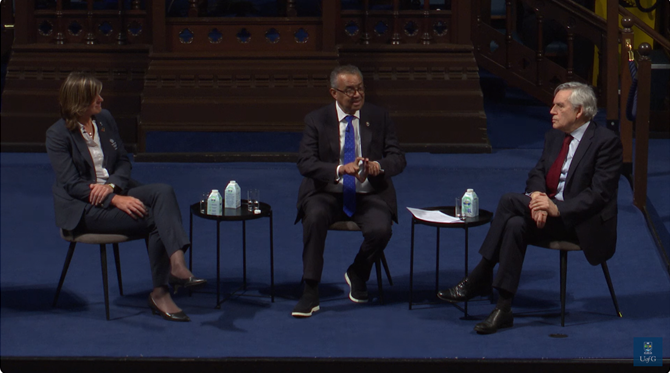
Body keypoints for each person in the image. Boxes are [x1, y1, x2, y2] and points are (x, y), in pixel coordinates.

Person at [437, 82, 622, 334]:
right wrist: (538, 198)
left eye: (559, 106)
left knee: (508, 201)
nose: (551, 111)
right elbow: (537, 173)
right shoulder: (554, 136)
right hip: (547, 215)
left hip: (581, 224)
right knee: (515, 224)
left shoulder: (606, 142)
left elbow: (599, 195)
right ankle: (503, 309)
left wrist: (557, 208)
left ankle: (480, 275)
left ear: (579, 111)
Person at [46, 72, 206, 322]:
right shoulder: (57, 135)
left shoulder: (104, 119)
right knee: (155, 219)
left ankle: (177, 264)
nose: (101, 98)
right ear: (79, 102)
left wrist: (110, 188)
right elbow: (71, 185)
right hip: (83, 208)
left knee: (163, 191)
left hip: (111, 189)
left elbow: (122, 161)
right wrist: (114, 200)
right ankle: (160, 292)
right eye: (94, 96)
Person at [292, 65, 406, 317]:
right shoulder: (316, 120)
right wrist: (341, 169)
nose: (357, 95)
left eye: (361, 88)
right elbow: (305, 163)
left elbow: (398, 157)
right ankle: (310, 290)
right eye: (350, 90)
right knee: (315, 216)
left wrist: (379, 166)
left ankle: (358, 272)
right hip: (327, 192)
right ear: (334, 93)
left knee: (381, 229)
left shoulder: (379, 116)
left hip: (369, 194)